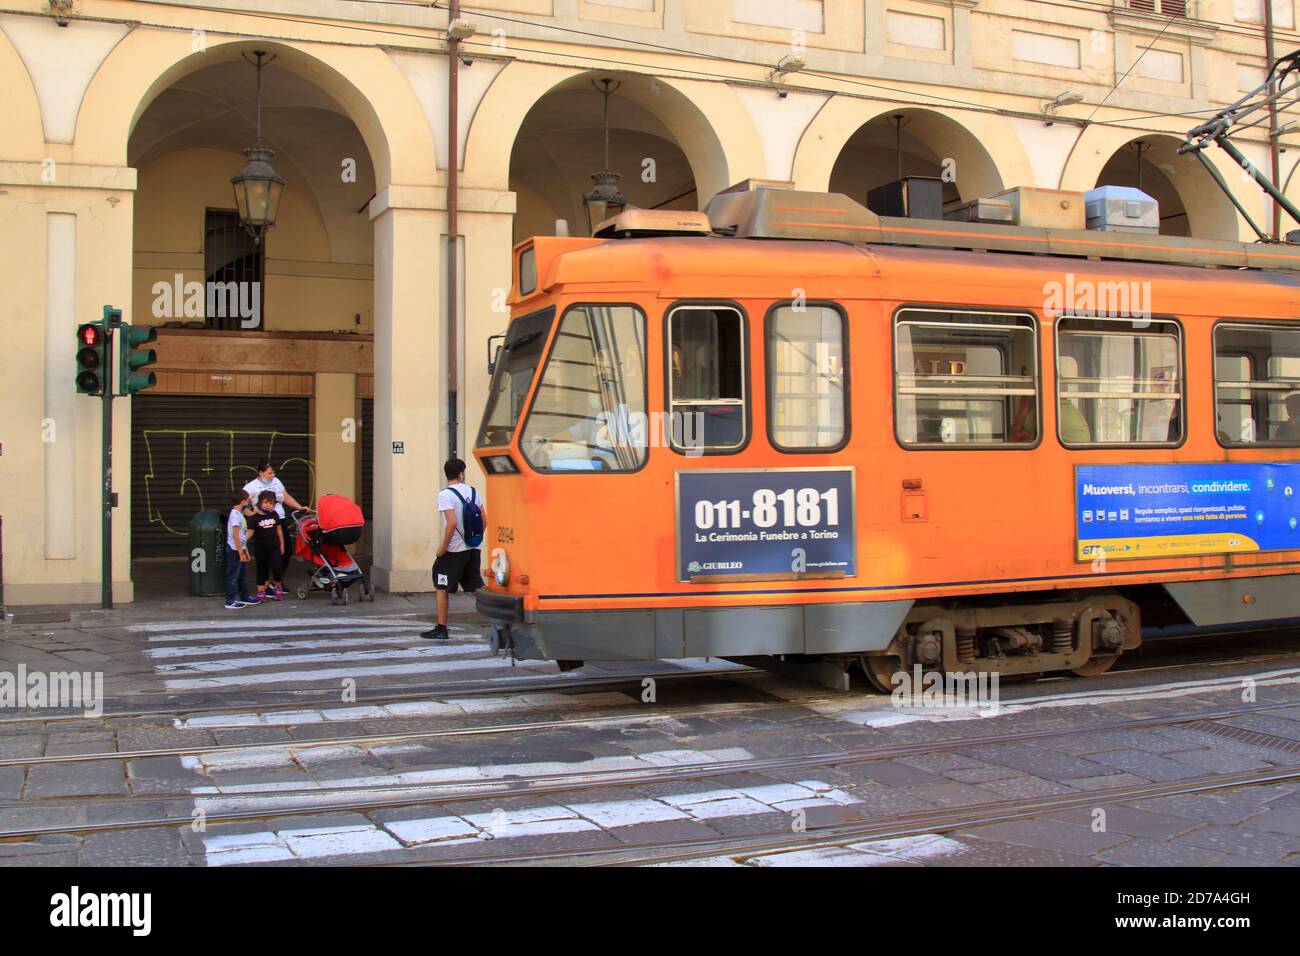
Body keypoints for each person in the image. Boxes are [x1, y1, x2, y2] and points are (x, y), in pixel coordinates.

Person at [422, 458, 485, 640]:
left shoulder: (445, 495)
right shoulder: (473, 492)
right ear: (462, 474)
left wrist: (443, 547)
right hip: (473, 547)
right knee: (476, 587)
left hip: (454, 551)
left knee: (441, 585)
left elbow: (452, 523)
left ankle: (442, 628)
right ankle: (502, 617)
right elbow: (484, 519)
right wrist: (473, 539)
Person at [242, 459, 305, 580]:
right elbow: (241, 504)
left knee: (285, 551)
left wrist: (300, 507)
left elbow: (286, 497)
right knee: (265, 555)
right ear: (261, 473)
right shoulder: (251, 487)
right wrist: (252, 515)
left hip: (279, 520)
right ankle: (265, 583)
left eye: (274, 473)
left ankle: (277, 581)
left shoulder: (276, 481)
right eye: (269, 473)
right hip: (263, 524)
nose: (272, 476)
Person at [224, 490, 262, 610]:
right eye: (247, 500)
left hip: (239, 548)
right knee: (233, 576)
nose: (248, 502)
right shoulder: (235, 515)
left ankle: (244, 596)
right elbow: (235, 535)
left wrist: (245, 550)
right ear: (242, 501)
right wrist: (240, 551)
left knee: (241, 575)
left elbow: (241, 535)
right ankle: (230, 600)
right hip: (234, 549)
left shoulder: (239, 514)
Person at [249, 490, 286, 602]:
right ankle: (261, 592)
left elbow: (279, 530)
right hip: (260, 549)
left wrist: (282, 544)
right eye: (266, 502)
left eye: (271, 503)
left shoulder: (274, 515)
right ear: (260, 502)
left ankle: (278, 587)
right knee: (261, 570)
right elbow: (250, 533)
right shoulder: (254, 518)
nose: (268, 505)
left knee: (277, 568)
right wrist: (241, 540)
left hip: (274, 547)